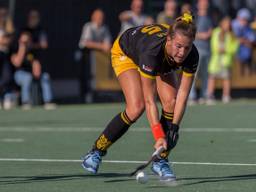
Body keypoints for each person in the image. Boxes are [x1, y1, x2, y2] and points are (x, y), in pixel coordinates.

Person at [81, 12, 198, 181]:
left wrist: (174, 128)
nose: (182, 52)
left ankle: (160, 161)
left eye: (187, 47)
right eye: (179, 46)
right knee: (136, 107)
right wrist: (159, 135)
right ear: (169, 40)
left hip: (161, 59)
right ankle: (97, 150)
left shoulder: (191, 55)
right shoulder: (152, 53)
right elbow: (150, 101)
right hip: (126, 51)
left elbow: (183, 96)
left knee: (171, 103)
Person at [11, 31, 56, 110]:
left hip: (32, 73)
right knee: (27, 77)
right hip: (19, 75)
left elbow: (36, 64)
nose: (25, 43)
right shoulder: (14, 49)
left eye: (27, 41)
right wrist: (22, 48)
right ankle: (26, 102)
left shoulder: (34, 51)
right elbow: (17, 63)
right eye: (23, 41)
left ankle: (48, 101)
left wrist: (36, 69)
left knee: (45, 76)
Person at [78, 9, 112, 103]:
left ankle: (99, 94)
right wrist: (101, 46)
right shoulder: (88, 26)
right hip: (86, 55)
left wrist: (106, 46)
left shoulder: (104, 28)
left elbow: (107, 43)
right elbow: (87, 43)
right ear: (93, 17)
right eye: (99, 17)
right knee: (87, 76)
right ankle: (86, 96)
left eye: (102, 17)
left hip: (99, 58)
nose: (101, 19)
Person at [206, 16, 239, 105]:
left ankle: (226, 96)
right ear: (222, 24)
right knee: (212, 78)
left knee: (226, 78)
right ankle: (210, 96)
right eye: (225, 23)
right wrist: (218, 49)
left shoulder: (232, 34)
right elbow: (213, 44)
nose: (227, 25)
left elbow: (235, 47)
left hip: (226, 60)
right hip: (216, 60)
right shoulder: (216, 32)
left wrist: (226, 50)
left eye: (228, 24)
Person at [188, 0, 212, 105]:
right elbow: (190, 32)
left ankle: (204, 96)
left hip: (207, 49)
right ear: (198, 5)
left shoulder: (210, 17)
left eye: (205, 3)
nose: (204, 5)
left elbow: (211, 32)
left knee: (205, 74)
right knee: (193, 74)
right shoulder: (193, 17)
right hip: (195, 49)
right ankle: (192, 97)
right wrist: (203, 35)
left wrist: (207, 34)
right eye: (202, 3)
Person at [232, 8, 256, 76]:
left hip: (246, 56)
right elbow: (233, 39)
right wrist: (241, 40)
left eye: (246, 19)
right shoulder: (233, 25)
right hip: (234, 55)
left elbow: (252, 40)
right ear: (238, 17)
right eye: (243, 19)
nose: (244, 21)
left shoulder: (248, 28)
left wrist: (243, 41)